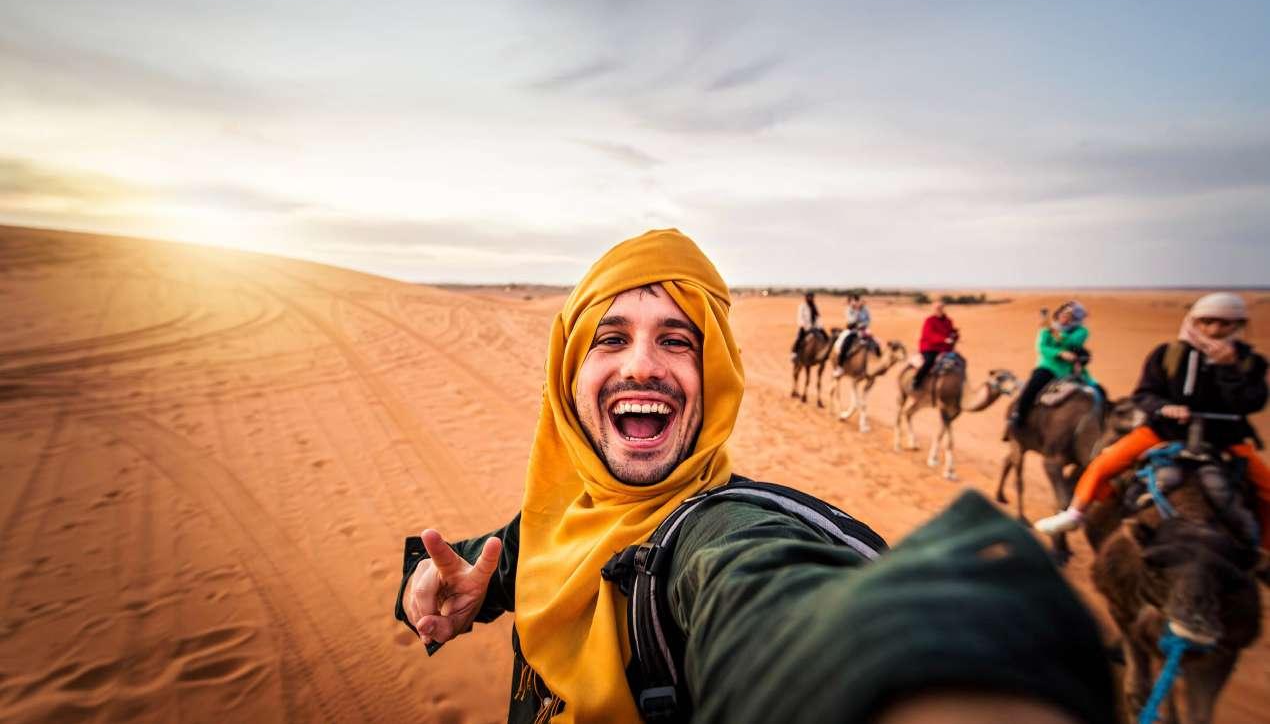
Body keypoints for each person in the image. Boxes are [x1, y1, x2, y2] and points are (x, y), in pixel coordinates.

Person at [396, 230, 1117, 723]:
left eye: (677, 340)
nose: (642, 364)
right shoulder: (556, 519)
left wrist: (913, 678)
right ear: (567, 374)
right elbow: (493, 557)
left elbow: (763, 594)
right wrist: (430, 584)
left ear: (715, 376)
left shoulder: (715, 537)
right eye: (610, 338)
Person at [1035, 292, 1270, 545]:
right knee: (1103, 464)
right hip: (1163, 431)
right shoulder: (1168, 354)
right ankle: (1075, 513)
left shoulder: (1250, 363)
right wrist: (1164, 408)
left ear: (1238, 325)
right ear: (1194, 322)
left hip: (1225, 438)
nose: (1214, 330)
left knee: (1266, 489)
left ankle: (1264, 549)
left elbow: (1252, 402)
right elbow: (1144, 395)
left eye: (1225, 323)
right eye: (1207, 322)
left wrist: (1228, 370)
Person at [1009, 302, 1094, 433]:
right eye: (1063, 313)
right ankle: (1018, 417)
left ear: (1076, 319)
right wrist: (1059, 353)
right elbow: (1041, 347)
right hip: (1048, 366)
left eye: (1069, 316)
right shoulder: (1047, 329)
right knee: (1033, 386)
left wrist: (1053, 330)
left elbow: (1071, 342)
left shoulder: (1081, 331)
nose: (1064, 317)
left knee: (1095, 391)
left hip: (1069, 369)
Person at [912, 298, 959, 390]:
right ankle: (916, 381)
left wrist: (954, 335)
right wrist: (944, 339)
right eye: (937, 308)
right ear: (933, 309)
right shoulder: (929, 321)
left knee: (958, 361)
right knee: (929, 361)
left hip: (945, 349)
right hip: (930, 348)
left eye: (941, 307)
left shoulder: (948, 321)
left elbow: (951, 332)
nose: (939, 309)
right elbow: (929, 335)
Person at [837, 292, 872, 361]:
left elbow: (868, 319)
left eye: (858, 300)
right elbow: (851, 321)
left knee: (873, 341)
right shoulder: (849, 310)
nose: (857, 303)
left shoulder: (865, 309)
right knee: (845, 342)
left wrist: (863, 324)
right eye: (855, 301)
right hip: (852, 330)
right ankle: (841, 361)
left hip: (863, 329)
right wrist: (857, 311)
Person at [792, 288, 822, 358]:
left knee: (825, 336)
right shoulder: (802, 306)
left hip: (815, 327)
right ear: (806, 297)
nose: (810, 298)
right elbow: (800, 317)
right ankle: (794, 352)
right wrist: (803, 325)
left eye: (811, 296)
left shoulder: (815, 306)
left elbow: (818, 317)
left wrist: (819, 326)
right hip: (805, 327)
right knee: (799, 338)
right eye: (809, 296)